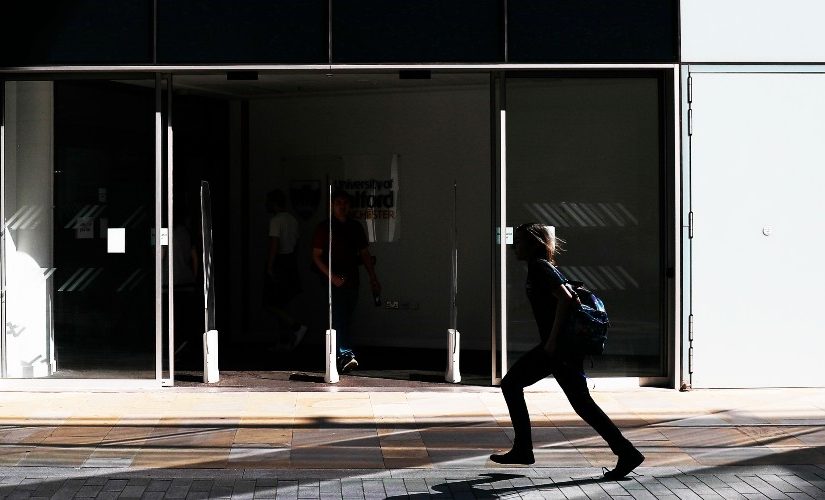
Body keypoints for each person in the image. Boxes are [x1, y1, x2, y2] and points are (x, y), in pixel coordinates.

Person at [490, 223, 644, 480]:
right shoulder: (539, 267)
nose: (515, 246)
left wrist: (551, 341)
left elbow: (567, 298)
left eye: (519, 241)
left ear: (534, 243)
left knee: (512, 384)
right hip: (559, 348)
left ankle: (524, 449)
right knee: (581, 403)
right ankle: (625, 451)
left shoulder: (541, 267)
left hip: (558, 348)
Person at [311, 190, 381, 374]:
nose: (342, 206)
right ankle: (346, 355)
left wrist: (373, 277)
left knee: (345, 319)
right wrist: (332, 277)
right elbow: (316, 256)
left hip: (352, 280)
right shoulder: (324, 227)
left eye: (345, 203)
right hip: (333, 282)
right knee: (339, 317)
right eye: (338, 202)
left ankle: (341, 357)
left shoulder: (355, 227)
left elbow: (364, 254)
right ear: (332, 206)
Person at [264, 189, 306, 349]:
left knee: (270, 303)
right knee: (284, 302)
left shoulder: (276, 220)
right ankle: (285, 339)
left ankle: (296, 327)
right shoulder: (292, 220)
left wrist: (269, 266)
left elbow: (274, 244)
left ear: (273, 203)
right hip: (290, 261)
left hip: (280, 261)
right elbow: (297, 244)